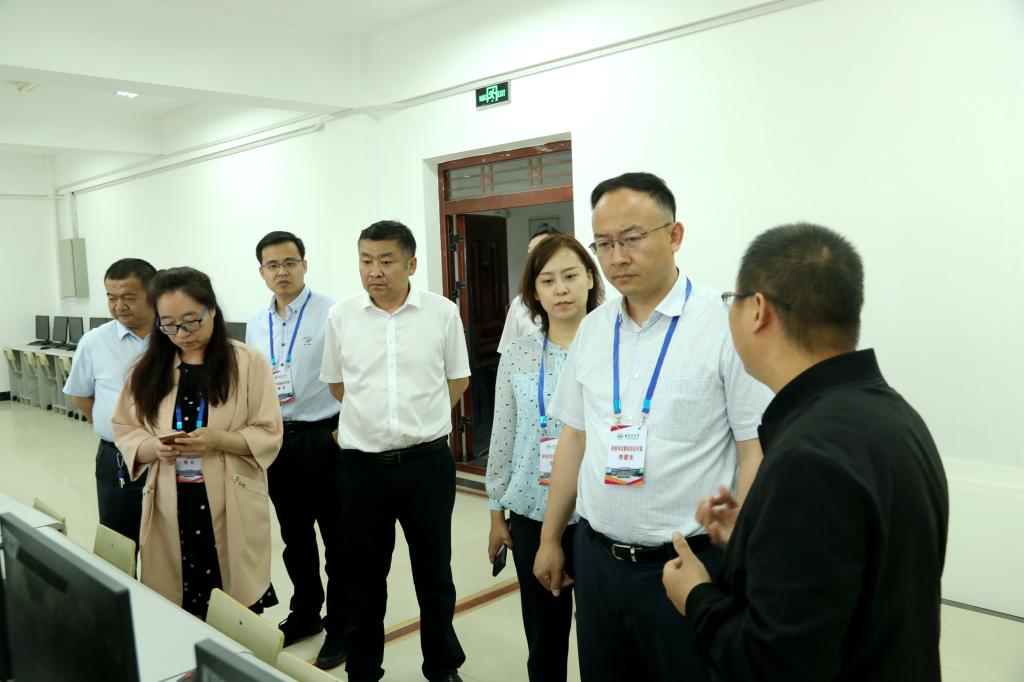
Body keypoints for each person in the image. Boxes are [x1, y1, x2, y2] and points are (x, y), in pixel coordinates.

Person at [662, 223, 949, 681]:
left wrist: (695, 596)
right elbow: (847, 572)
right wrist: (754, 537)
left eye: (733, 300)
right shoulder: (893, 415)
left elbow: (773, 663)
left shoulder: (808, 456)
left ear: (758, 310)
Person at [532, 172, 773, 682]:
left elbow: (754, 450)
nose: (616, 256)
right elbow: (576, 436)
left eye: (632, 238)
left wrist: (740, 555)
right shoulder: (593, 329)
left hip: (688, 563)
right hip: (597, 562)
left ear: (675, 235)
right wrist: (551, 537)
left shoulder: (724, 324)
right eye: (603, 243)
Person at [320, 220, 470, 682]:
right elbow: (337, 384)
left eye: (386, 261)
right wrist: (374, 423)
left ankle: (442, 666)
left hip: (427, 466)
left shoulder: (442, 313)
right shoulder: (342, 316)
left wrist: (421, 419)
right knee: (363, 577)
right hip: (362, 469)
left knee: (434, 574)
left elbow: (458, 378)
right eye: (366, 260)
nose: (374, 271)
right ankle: (363, 669)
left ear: (411, 264)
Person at [111, 267, 283, 620]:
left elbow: (269, 431)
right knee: (177, 594)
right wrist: (153, 448)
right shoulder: (147, 369)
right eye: (169, 325)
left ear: (212, 310)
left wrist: (219, 439)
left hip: (229, 495)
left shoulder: (247, 362)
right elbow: (126, 428)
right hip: (170, 497)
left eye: (191, 322)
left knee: (233, 600)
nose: (181, 334)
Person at [486, 234, 604, 682]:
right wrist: (496, 512)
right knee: (544, 636)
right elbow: (503, 434)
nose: (561, 289)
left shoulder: (612, 348)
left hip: (598, 516)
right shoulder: (517, 354)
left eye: (570, 276)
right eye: (548, 280)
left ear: (590, 279)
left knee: (599, 637)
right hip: (532, 511)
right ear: (533, 292)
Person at [246, 231, 350, 669]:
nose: (282, 271)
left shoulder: (333, 313)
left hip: (325, 436)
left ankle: (342, 625)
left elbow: (354, 374)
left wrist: (344, 429)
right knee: (295, 535)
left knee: (338, 538)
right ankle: (306, 612)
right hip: (278, 440)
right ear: (262, 272)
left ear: (305, 265)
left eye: (290, 262)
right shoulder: (256, 322)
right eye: (273, 265)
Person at [64, 258, 157, 548]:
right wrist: (111, 426)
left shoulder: (174, 335)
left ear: (152, 293)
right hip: (117, 456)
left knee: (168, 543)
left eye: (128, 297)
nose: (119, 306)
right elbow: (81, 394)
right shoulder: (95, 341)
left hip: (168, 457)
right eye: (111, 298)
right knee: (119, 542)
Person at [497, 226, 562, 354]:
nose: (533, 259)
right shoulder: (520, 303)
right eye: (530, 253)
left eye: (539, 252)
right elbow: (508, 354)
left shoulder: (574, 299)